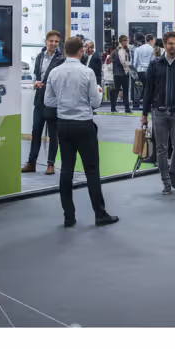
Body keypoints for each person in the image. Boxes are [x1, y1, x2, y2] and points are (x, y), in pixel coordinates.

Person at [46, 37, 118, 227]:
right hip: (84, 125)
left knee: (66, 170)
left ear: (65, 50)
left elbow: (48, 101)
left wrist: (64, 103)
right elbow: (95, 102)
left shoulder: (54, 72)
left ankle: (68, 216)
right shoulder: (87, 73)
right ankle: (100, 214)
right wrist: (99, 92)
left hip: (63, 125)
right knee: (92, 171)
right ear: (80, 52)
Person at [142, 31, 175, 194]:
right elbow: (148, 90)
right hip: (158, 111)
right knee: (161, 149)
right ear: (164, 44)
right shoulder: (155, 64)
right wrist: (144, 114)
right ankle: (166, 182)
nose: (173, 47)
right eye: (170, 44)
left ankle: (172, 172)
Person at [22, 31, 64, 175]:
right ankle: (31, 162)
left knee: (53, 134)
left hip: (53, 102)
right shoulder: (39, 57)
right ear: (46, 41)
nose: (53, 44)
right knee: (36, 132)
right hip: (39, 100)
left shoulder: (61, 59)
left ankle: (50, 164)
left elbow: (61, 81)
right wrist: (36, 83)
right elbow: (36, 75)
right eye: (51, 41)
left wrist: (46, 85)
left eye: (56, 41)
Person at [132, 33, 154, 110]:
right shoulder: (152, 49)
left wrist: (134, 73)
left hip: (140, 71)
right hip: (149, 71)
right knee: (148, 89)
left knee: (139, 88)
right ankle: (147, 105)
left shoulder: (137, 49)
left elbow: (135, 62)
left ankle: (137, 104)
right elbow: (153, 61)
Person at [110, 35, 131, 114]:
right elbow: (123, 62)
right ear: (122, 41)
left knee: (116, 90)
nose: (126, 42)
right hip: (122, 73)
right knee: (125, 90)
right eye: (125, 41)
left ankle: (113, 107)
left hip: (116, 73)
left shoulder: (115, 51)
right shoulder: (122, 50)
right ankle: (127, 108)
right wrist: (127, 70)